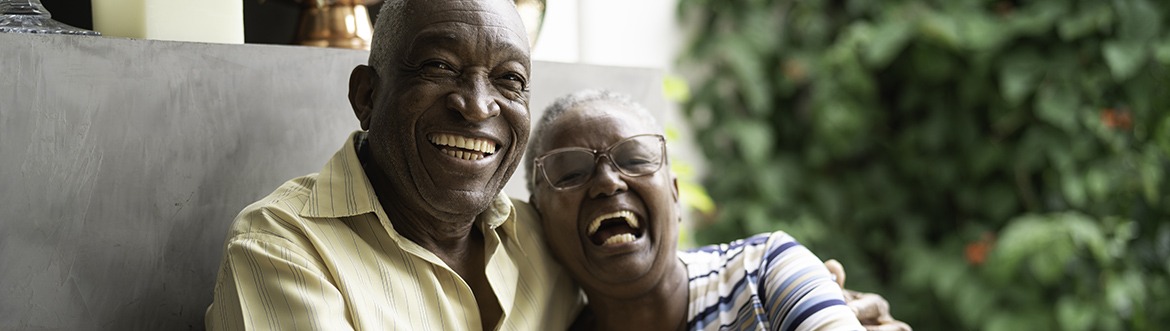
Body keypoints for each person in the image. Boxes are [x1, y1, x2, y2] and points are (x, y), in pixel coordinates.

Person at [204, 0, 581, 329]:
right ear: (366, 96)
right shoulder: (281, 247)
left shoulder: (545, 239)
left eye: (509, 78)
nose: (478, 105)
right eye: (439, 66)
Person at [525, 90, 910, 330]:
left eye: (634, 159)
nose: (608, 182)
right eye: (571, 171)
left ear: (675, 197)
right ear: (540, 222)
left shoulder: (764, 274)